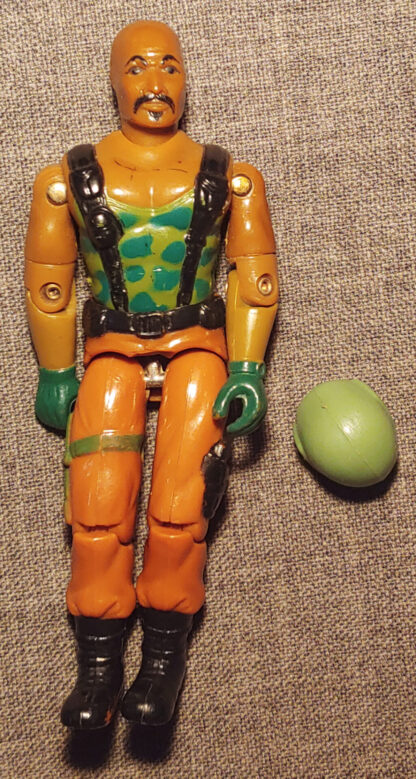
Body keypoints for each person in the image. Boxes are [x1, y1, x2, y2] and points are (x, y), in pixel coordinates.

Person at [25, 20, 278, 730]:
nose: (155, 82)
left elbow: (253, 278)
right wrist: (55, 371)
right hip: (110, 349)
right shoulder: (66, 181)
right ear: (114, 83)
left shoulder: (229, 178)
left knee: (182, 504)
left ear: (187, 81)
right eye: (136, 67)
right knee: (98, 505)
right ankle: (98, 667)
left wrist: (249, 367)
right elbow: (50, 284)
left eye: (169, 65)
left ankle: (163, 663)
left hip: (198, 343)